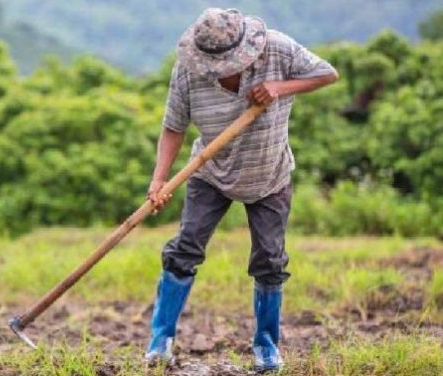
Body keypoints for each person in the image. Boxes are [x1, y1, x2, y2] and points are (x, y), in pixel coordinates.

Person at [145, 8, 339, 372]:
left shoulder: (278, 49)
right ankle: (160, 342)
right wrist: (159, 180)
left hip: (269, 174)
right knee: (184, 249)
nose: (220, 71)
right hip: (210, 171)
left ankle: (266, 347)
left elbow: (327, 73)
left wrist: (280, 88)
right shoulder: (188, 69)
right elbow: (173, 127)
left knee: (269, 259)